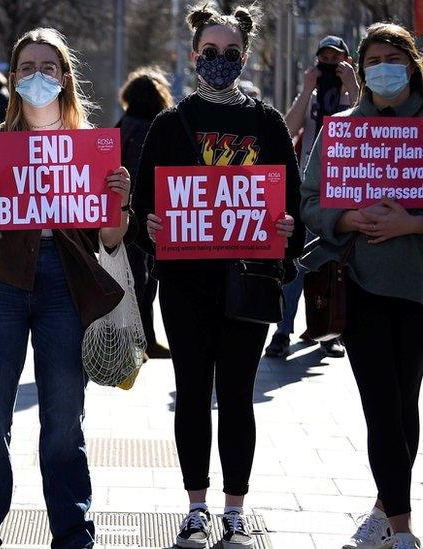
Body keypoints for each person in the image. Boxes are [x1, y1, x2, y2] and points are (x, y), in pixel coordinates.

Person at [132, 5, 303, 548]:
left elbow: (292, 208)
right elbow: (141, 207)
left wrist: (286, 226)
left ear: (245, 57)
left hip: (248, 283)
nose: (220, 62)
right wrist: (151, 224)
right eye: (211, 53)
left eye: (231, 54)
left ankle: (234, 509)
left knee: (236, 394)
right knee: (191, 393)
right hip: (185, 287)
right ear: (193, 56)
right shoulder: (167, 124)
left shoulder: (267, 123)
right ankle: (196, 507)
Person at [0, 28, 133, 549]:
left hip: (65, 286)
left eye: (48, 68)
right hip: (0, 285)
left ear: (65, 79)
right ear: (13, 80)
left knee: (63, 416)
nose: (38, 77)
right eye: (28, 68)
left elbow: (110, 238)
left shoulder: (92, 147)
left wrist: (118, 204)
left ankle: (73, 530)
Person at [301, 22, 423, 549]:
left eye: (393, 57)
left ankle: (382, 508)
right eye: (373, 59)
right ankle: (402, 528)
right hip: (361, 285)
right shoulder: (342, 127)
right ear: (362, 69)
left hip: (417, 287)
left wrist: (411, 223)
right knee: (380, 404)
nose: (383, 68)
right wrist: (346, 219)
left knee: (405, 406)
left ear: (411, 63)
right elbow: (308, 201)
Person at [265, 34, 358, 360]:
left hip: (345, 192)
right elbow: (287, 131)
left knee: (330, 268)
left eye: (337, 59)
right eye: (325, 59)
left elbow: (368, 128)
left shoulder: (356, 100)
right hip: (309, 192)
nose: (331, 65)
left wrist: (354, 89)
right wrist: (306, 90)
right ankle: (282, 331)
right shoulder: (312, 97)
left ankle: (327, 331)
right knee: (295, 266)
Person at [116, 66, 174, 359]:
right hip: (145, 214)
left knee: (135, 279)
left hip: (123, 215)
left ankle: (141, 339)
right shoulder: (153, 128)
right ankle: (142, 341)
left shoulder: (123, 124)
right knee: (144, 280)